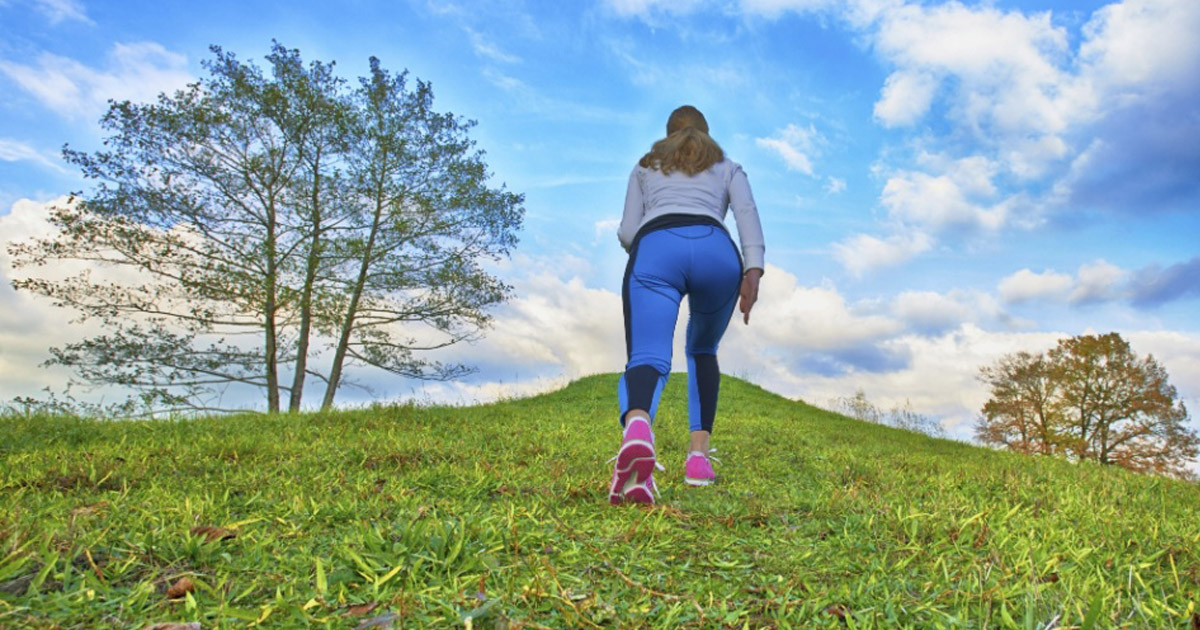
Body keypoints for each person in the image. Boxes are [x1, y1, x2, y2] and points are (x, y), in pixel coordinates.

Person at [609, 105, 765, 505]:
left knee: (647, 355)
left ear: (668, 135)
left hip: (657, 247)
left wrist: (647, 249)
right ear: (706, 134)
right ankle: (698, 459)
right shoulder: (728, 166)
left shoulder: (645, 166)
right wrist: (753, 270)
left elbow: (628, 231)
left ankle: (638, 428)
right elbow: (746, 213)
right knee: (702, 350)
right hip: (717, 252)